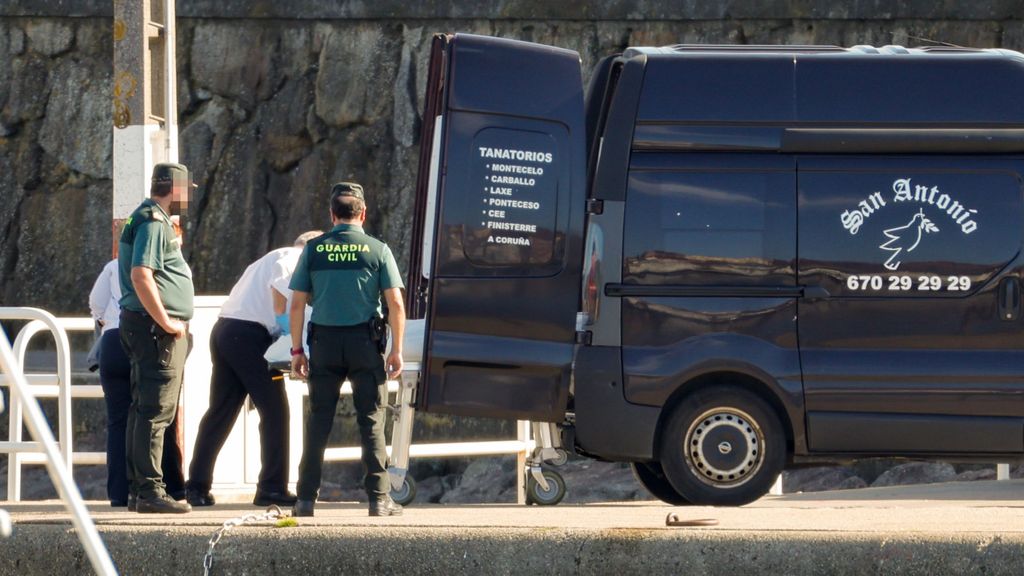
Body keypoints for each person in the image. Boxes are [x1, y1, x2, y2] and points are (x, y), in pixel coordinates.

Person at [288, 182, 406, 517]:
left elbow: (296, 305)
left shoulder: (314, 250)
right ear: (363, 213)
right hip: (364, 344)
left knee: (318, 421)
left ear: (332, 214)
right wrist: (397, 349)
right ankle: (379, 500)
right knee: (370, 419)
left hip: (324, 343)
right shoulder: (377, 250)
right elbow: (395, 302)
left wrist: (297, 351)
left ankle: (306, 500)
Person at [185, 230, 322, 508]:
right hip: (249, 337)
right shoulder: (293, 257)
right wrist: (295, 344)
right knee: (275, 410)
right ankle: (271, 487)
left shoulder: (266, 259)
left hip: (226, 329)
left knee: (221, 411)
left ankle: (196, 486)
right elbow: (280, 303)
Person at [117, 162, 194, 514]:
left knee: (141, 408)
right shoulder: (152, 220)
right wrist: (167, 322)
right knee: (156, 410)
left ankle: (139, 489)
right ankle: (150, 491)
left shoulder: (142, 217)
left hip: (142, 326)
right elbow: (141, 275)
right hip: (154, 331)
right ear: (175, 189)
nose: (188, 197)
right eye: (186, 190)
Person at [89, 257, 186, 508]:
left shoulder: (114, 265)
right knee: (158, 416)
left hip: (112, 340)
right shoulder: (168, 264)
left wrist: (106, 320)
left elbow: (95, 303)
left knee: (119, 421)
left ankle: (120, 493)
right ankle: (169, 488)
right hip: (150, 338)